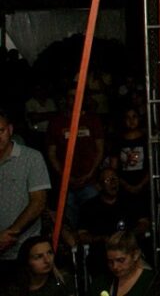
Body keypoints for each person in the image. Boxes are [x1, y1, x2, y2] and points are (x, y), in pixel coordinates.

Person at [0, 108, 51, 282]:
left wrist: (9, 234)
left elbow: (38, 202)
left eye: (1, 130)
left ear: (10, 130)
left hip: (25, 249)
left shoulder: (31, 158)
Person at [45, 88, 105, 228]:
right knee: (70, 225)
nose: (74, 99)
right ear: (66, 99)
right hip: (66, 185)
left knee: (93, 223)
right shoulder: (56, 122)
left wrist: (90, 174)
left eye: (77, 96)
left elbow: (100, 149)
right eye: (71, 96)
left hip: (90, 182)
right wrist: (65, 175)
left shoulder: (93, 120)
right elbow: (51, 154)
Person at [86, 231, 153, 296]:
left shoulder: (150, 282)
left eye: (121, 260)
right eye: (110, 262)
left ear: (135, 255)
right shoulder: (101, 283)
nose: (115, 266)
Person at [5, 236, 72, 296]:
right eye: (39, 257)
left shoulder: (63, 281)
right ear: (26, 262)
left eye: (50, 253)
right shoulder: (13, 288)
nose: (47, 260)